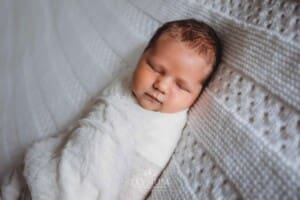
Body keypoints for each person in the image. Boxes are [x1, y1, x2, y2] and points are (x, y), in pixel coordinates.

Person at [0, 19, 221, 200]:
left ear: (198, 93)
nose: (161, 85)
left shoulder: (166, 128)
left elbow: (139, 181)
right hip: (58, 164)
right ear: (142, 56)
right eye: (154, 67)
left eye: (180, 86)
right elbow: (82, 127)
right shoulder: (124, 84)